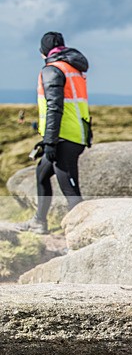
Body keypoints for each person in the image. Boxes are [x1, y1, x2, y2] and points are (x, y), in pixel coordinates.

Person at [16, 32, 90, 235]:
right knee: (42, 173)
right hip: (73, 134)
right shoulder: (74, 68)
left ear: (43, 52)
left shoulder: (52, 70)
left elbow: (54, 107)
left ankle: (80, 236)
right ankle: (39, 222)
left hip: (64, 138)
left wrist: (50, 141)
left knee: (71, 192)